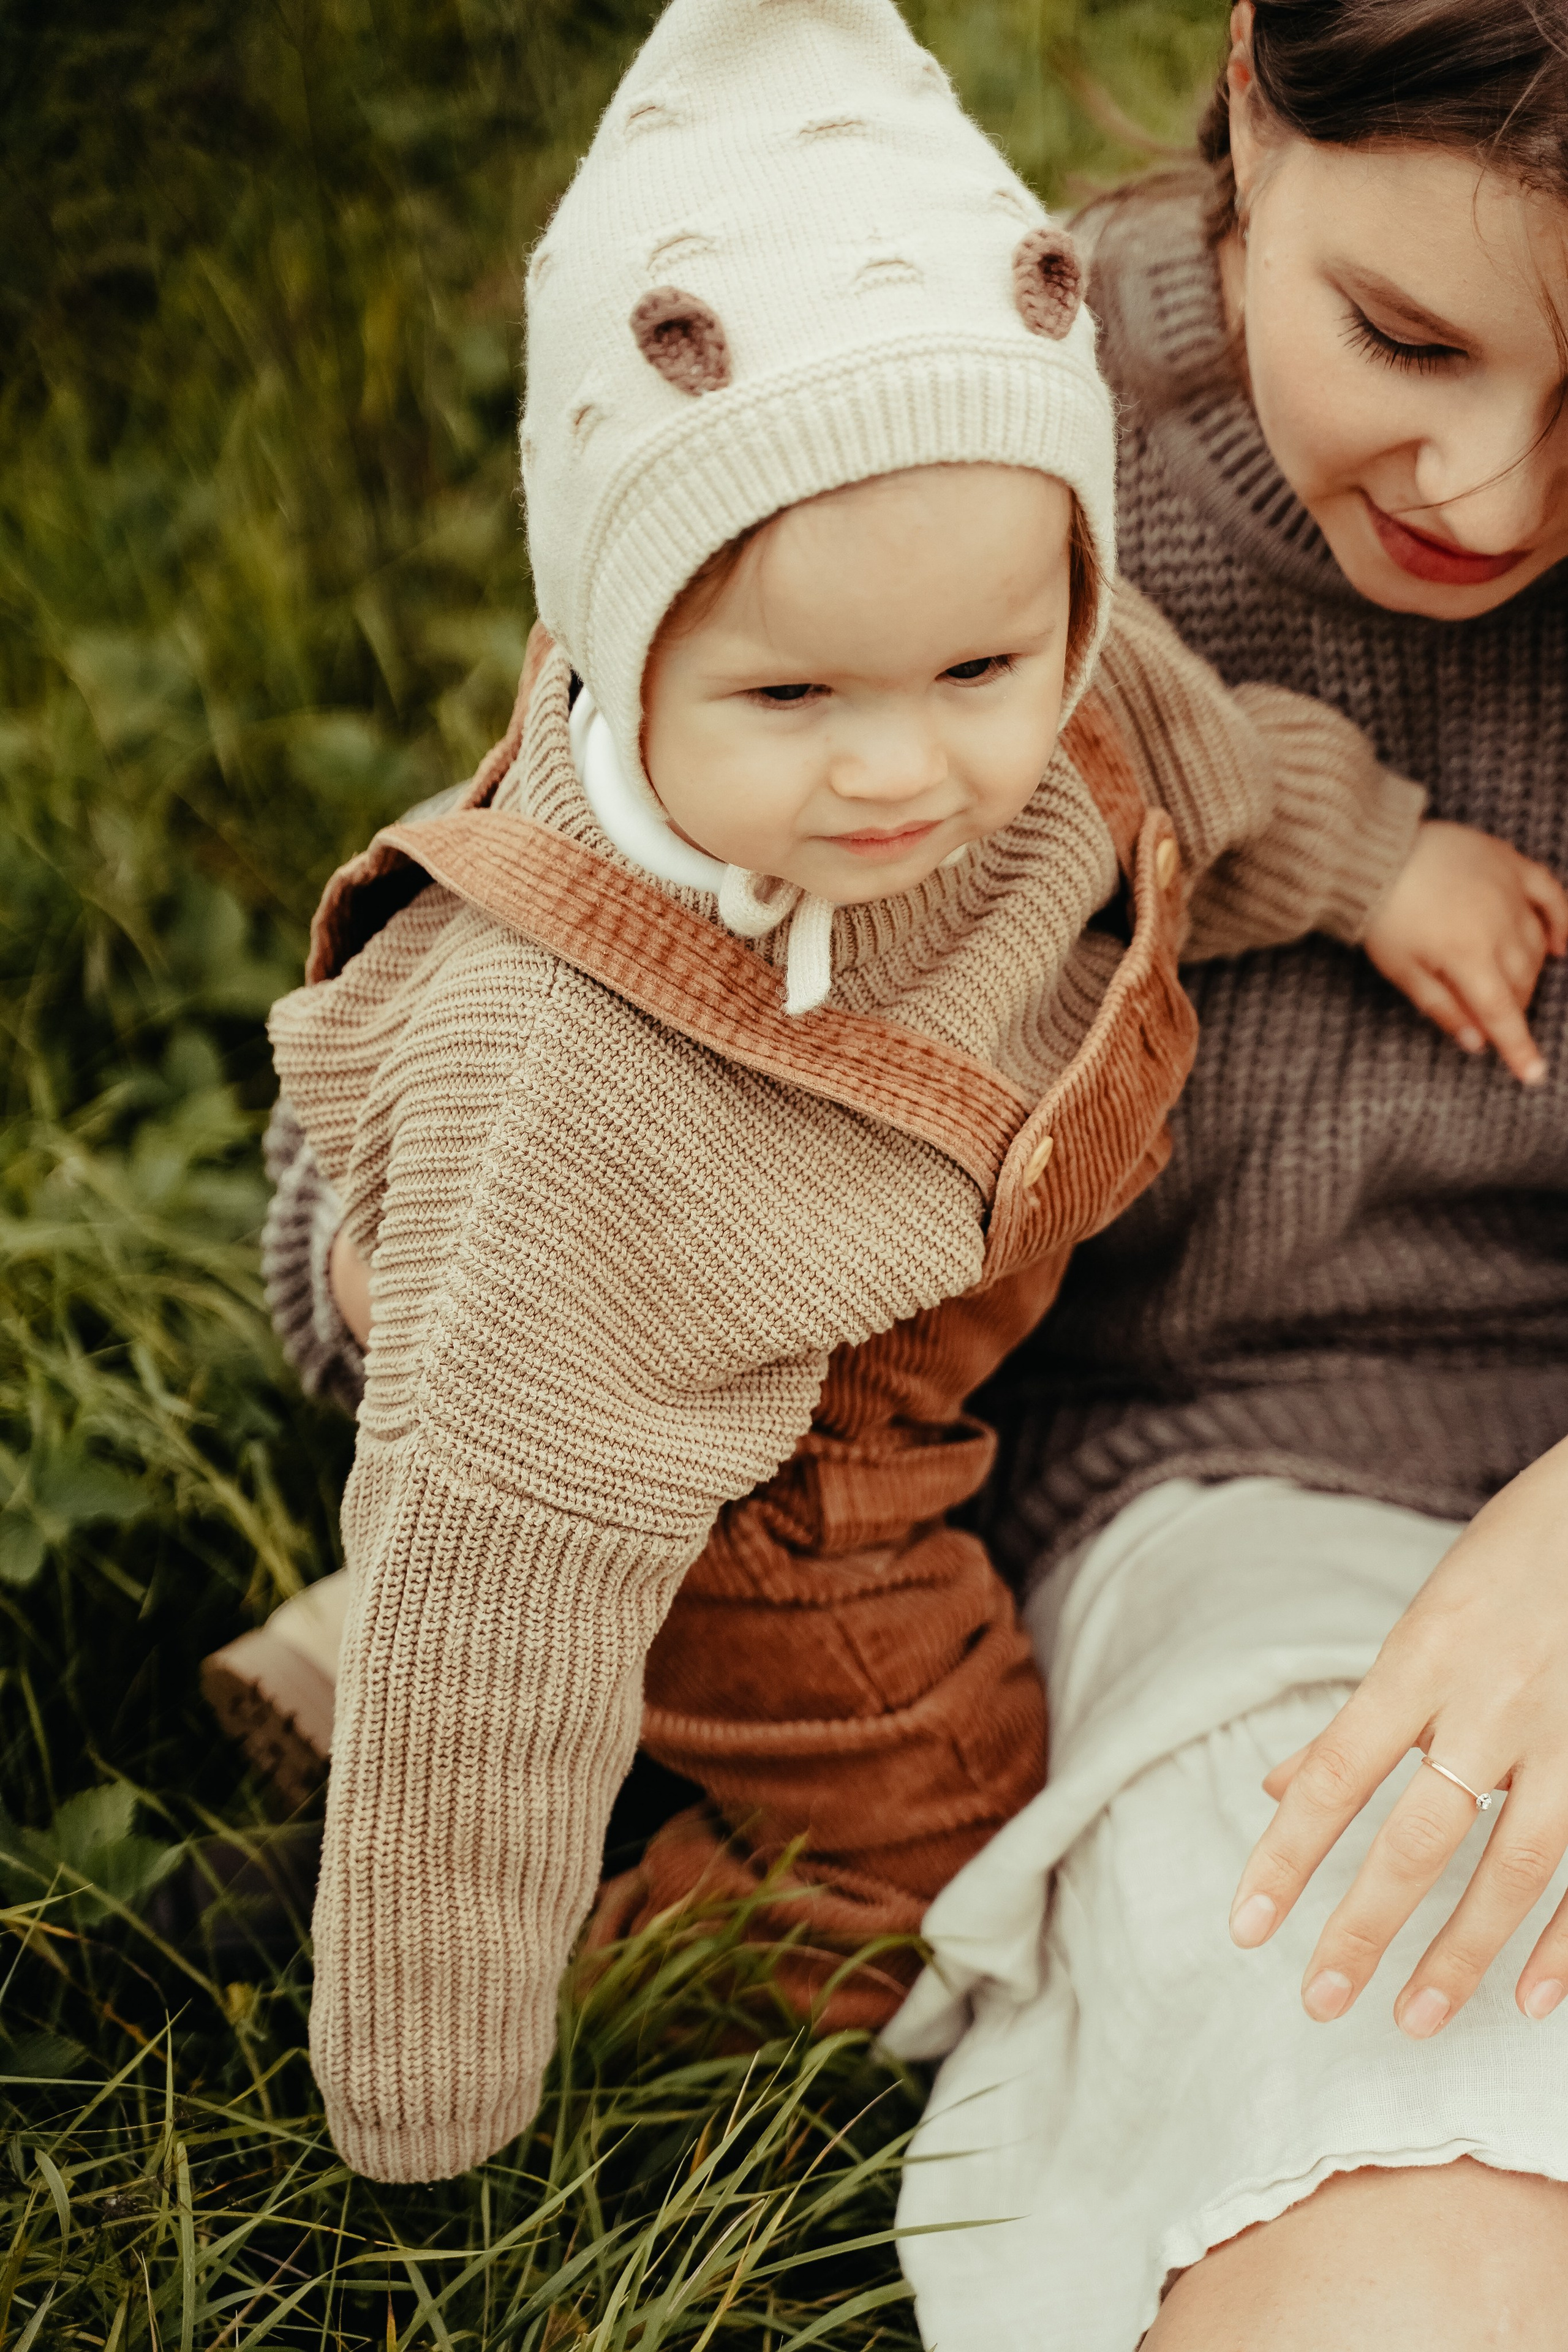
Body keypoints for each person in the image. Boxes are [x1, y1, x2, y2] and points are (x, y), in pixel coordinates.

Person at [220, 0, 1547, 2186]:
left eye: (978, 674)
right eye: (1408, 340)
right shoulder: (593, 1053)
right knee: (928, 1850)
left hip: (949, 1358)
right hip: (790, 1459)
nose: (905, 769)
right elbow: (484, 1471)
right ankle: (612, 1940)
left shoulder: (1032, 638)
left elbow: (1182, 760)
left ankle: (490, 1678)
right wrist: (419, 2120)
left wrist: (1389, 857)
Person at [888, 4, 1568, 2343]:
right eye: (1407, 337)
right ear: (1262, 101)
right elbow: (514, 1068)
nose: (1492, 494)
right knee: (1420, 2153)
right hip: (1241, 1496)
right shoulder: (967, 448)